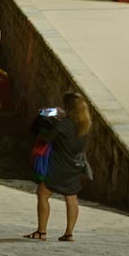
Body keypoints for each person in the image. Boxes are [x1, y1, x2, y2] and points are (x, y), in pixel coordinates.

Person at [26, 91, 93, 241]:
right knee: (71, 198)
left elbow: (48, 139)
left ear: (68, 107)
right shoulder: (84, 126)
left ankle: (41, 232)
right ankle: (69, 233)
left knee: (42, 194)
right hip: (74, 167)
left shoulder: (63, 125)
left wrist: (53, 121)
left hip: (58, 166)